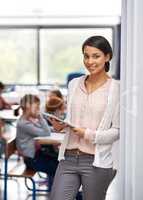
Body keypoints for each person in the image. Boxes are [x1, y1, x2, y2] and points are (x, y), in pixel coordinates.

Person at [50, 36, 120, 200]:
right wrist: (61, 125)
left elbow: (117, 131)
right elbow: (72, 118)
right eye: (86, 56)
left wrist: (87, 134)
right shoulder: (74, 84)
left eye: (96, 56)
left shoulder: (117, 89)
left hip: (96, 161)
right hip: (68, 157)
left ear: (107, 56)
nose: (89, 61)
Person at [16, 94, 59, 177]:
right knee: (58, 167)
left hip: (37, 155)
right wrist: (40, 117)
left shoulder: (29, 121)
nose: (38, 110)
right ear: (28, 106)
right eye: (37, 108)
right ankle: (53, 188)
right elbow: (46, 133)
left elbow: (46, 130)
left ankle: (53, 187)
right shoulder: (24, 124)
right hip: (31, 160)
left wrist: (53, 129)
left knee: (60, 161)